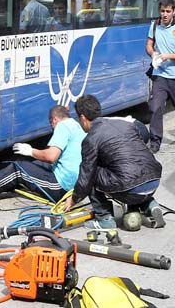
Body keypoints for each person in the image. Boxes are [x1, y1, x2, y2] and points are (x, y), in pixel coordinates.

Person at [64, 95, 163, 230]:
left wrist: (74, 198)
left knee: (92, 172)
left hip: (131, 189)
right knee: (127, 171)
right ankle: (149, 204)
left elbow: (85, 178)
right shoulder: (125, 124)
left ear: (82, 118)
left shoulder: (91, 139)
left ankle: (104, 219)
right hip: (154, 180)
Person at [0, 106, 84, 203]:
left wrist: (30, 151)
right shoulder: (76, 126)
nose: (52, 127)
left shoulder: (62, 126)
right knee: (35, 164)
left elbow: (51, 157)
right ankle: (4, 182)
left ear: (54, 119)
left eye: (51, 124)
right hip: (75, 187)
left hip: (61, 188)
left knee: (18, 169)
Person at [145, 0, 175, 152]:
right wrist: (153, 54)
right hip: (160, 75)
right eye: (162, 11)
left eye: (167, 11)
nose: (164, 15)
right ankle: (155, 141)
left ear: (173, 11)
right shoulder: (154, 26)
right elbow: (149, 46)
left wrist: (167, 56)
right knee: (156, 107)